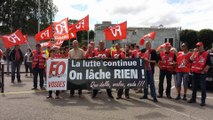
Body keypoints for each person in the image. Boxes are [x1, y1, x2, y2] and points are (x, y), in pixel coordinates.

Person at [188, 42, 211, 106]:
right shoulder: (196, 53)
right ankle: (193, 98)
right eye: (197, 46)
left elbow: (209, 64)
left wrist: (204, 71)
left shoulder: (206, 54)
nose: (197, 47)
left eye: (199, 46)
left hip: (202, 74)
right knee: (194, 87)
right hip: (194, 73)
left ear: (202, 46)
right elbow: (190, 60)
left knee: (202, 87)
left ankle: (203, 101)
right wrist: (194, 52)